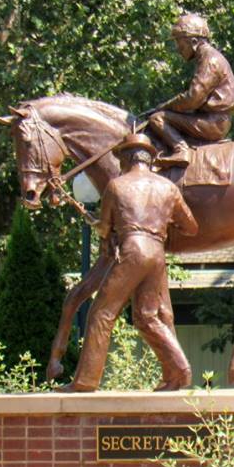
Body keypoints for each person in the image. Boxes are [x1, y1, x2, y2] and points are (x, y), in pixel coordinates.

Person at [59, 133, 199, 392]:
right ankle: (180, 370)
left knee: (102, 313)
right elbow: (191, 227)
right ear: (149, 159)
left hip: (132, 249)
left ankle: (86, 381)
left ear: (126, 158)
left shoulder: (116, 186)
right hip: (156, 253)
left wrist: (94, 221)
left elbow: (105, 229)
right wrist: (162, 221)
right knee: (146, 317)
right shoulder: (168, 188)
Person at [147, 12, 234, 169]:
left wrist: (165, 106)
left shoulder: (210, 59)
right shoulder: (206, 57)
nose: (178, 49)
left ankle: (181, 150)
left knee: (157, 118)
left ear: (194, 41)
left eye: (180, 43)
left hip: (213, 122)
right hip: (210, 118)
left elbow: (193, 98)